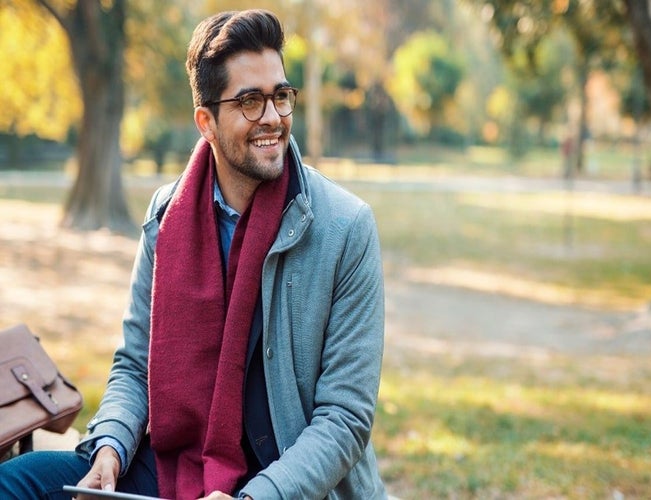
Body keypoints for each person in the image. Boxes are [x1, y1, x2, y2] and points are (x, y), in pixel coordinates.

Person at [0, 9, 386, 500]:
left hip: (288, 483)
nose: (272, 117)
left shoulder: (346, 228)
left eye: (281, 96)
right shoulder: (167, 214)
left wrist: (255, 496)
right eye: (249, 101)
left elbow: (345, 418)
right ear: (206, 121)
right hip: (176, 466)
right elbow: (135, 365)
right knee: (14, 483)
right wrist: (111, 451)